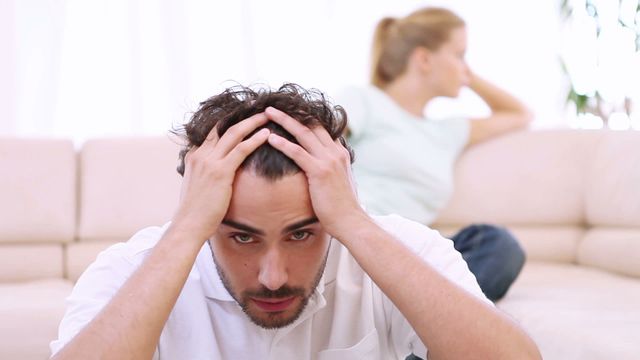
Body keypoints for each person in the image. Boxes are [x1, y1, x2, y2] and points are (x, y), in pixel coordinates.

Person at [50, 84, 540, 359]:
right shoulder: (131, 267)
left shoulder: (388, 243)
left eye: (302, 233)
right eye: (241, 236)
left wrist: (354, 221)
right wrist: (184, 230)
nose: (273, 276)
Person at [337, 7, 532, 302]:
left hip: (415, 257)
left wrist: (469, 76)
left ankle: (418, 328)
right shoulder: (364, 100)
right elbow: (316, 141)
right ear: (424, 59)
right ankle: (422, 325)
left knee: (498, 245)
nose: (464, 68)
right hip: (359, 244)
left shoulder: (448, 132)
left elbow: (520, 113)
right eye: (460, 54)